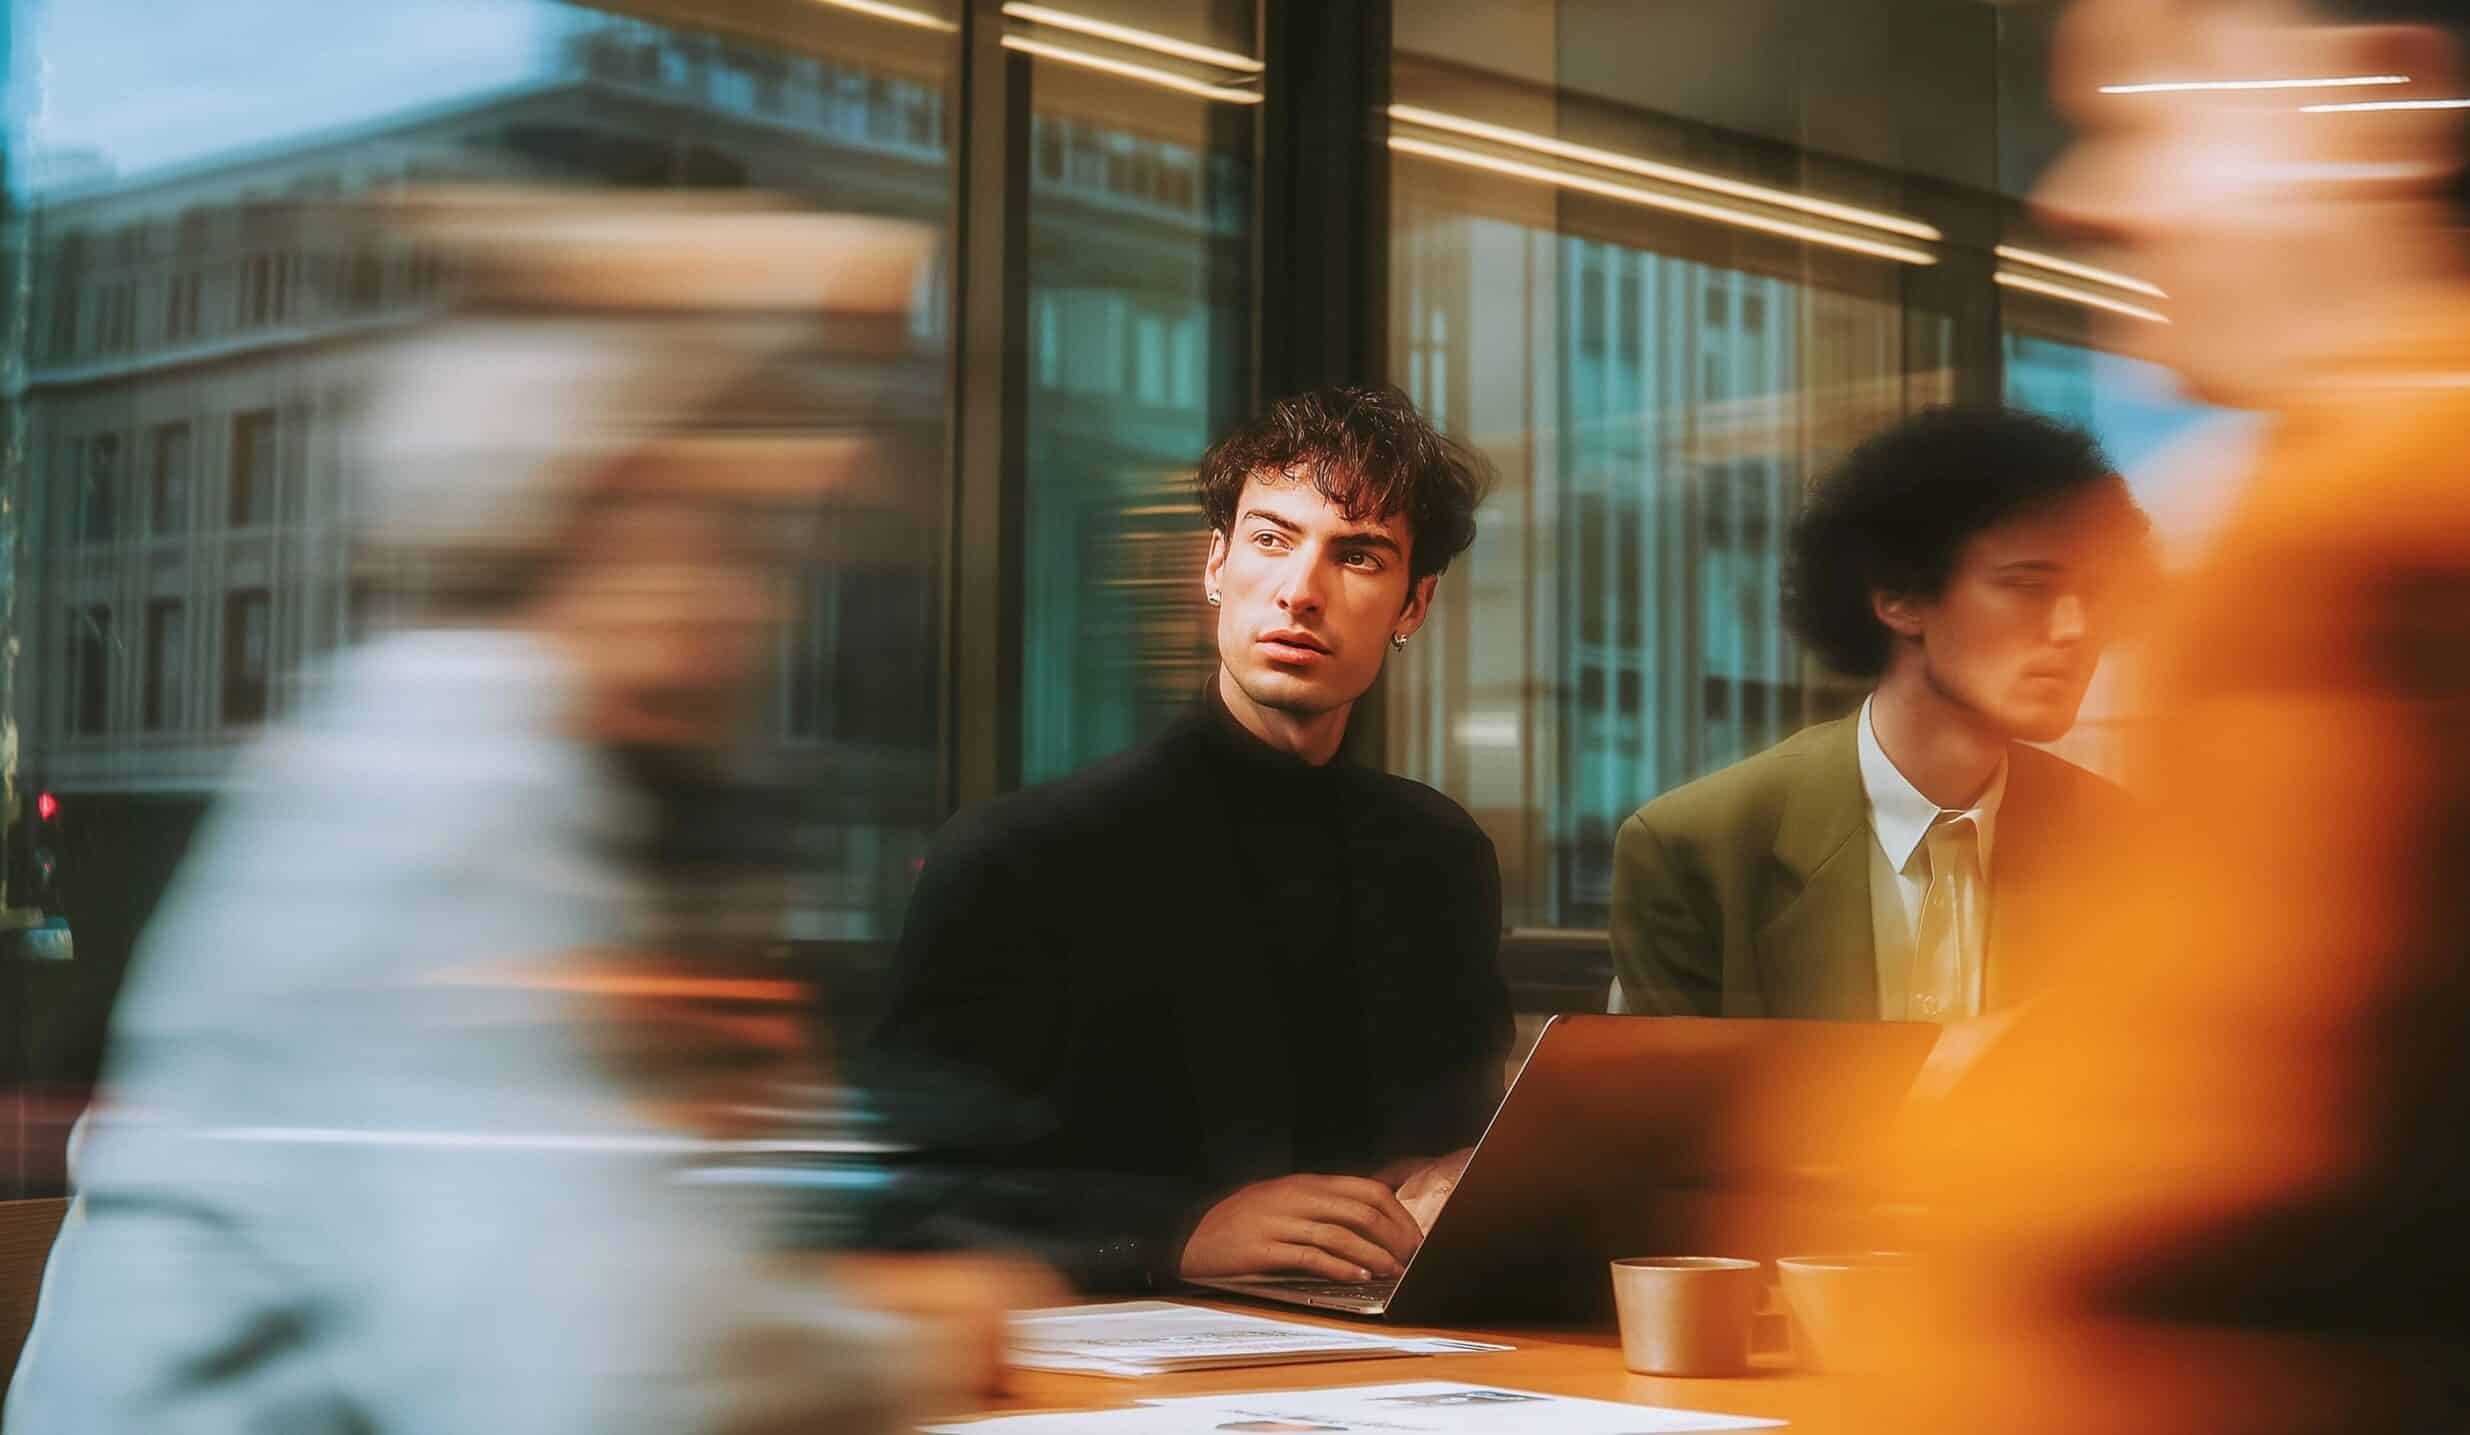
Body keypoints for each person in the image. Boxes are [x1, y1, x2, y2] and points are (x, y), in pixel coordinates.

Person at [4, 197, 1032, 1433]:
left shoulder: (522, 778)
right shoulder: (448, 784)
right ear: (581, 518)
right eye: (722, 530)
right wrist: (899, 1351)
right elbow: (593, 1391)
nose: (757, 605)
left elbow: (631, 1273)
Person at [1883, 3, 2470, 1433]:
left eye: (2149, 109)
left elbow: (2119, 1257)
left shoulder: (2396, 534)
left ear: (2381, 95)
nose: (2083, 196)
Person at [858, 385, 1513, 1293]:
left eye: (1358, 556)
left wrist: (1463, 1175)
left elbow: (1465, 1135)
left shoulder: (1439, 855)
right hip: (1110, 1369)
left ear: (1413, 605)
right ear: (1216, 564)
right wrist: (1179, 1232)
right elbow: (906, 1202)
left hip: (1393, 1350)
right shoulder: (1024, 853)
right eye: (1271, 538)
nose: (1300, 591)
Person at [1610, 406, 2150, 1020]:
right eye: (2029, 585)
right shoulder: (1701, 851)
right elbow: (1677, 1111)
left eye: (2098, 594)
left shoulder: (2123, 847)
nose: (2075, 629)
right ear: (1898, 596)